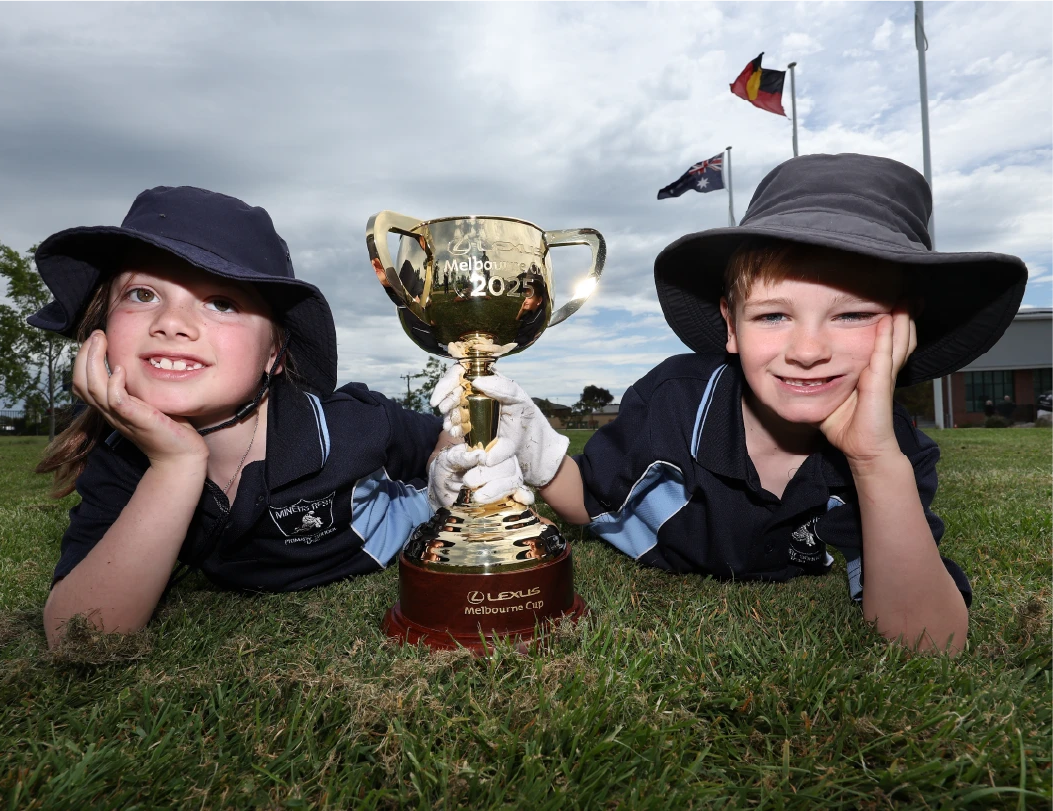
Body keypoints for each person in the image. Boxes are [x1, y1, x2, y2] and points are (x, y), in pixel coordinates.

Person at [432, 153, 1028, 655]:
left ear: (904, 330)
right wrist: (538, 452)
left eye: (852, 315)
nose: (808, 350)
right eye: (773, 316)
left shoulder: (896, 453)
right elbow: (586, 504)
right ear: (731, 325)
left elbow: (929, 641)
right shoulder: (674, 400)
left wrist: (874, 462)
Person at [31, 186, 476, 649]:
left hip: (412, 529)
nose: (171, 322)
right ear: (100, 329)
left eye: (221, 302)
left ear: (274, 353)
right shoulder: (121, 458)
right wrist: (174, 465)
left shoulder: (348, 426)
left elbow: (460, 435)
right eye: (142, 294)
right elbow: (81, 635)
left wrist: (450, 480)